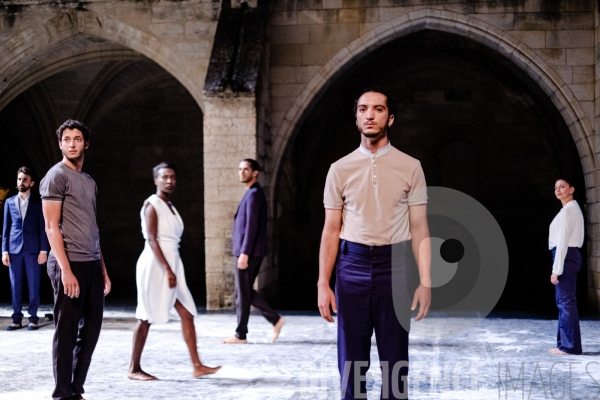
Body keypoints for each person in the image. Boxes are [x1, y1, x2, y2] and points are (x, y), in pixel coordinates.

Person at [317, 88, 432, 399]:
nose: (370, 114)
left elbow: (420, 226)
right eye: (363, 109)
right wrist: (323, 283)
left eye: (378, 109)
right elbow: (330, 229)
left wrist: (425, 281)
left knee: (395, 362)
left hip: (396, 268)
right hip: (351, 267)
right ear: (356, 118)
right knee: (351, 362)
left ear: (390, 118)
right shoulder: (338, 169)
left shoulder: (411, 167)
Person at [39, 119, 112, 400]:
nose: (72, 143)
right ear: (60, 144)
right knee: (66, 332)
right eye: (66, 139)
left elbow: (93, 227)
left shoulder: (89, 181)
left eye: (77, 139)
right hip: (68, 264)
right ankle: (61, 393)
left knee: (91, 333)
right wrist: (66, 271)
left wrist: (103, 269)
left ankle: (76, 389)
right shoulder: (56, 176)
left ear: (86, 144)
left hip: (92, 264)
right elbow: (50, 226)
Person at [128, 162, 221, 380]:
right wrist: (168, 270)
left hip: (172, 262)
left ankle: (197, 365)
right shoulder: (152, 204)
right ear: (155, 180)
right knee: (146, 316)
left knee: (187, 313)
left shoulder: (170, 205)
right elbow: (151, 239)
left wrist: (173, 269)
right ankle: (133, 368)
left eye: (173, 177)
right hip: (155, 264)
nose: (169, 181)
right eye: (164, 177)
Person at [220, 159, 285, 344]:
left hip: (249, 252)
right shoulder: (251, 193)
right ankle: (270, 321)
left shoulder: (255, 194)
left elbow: (252, 227)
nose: (241, 172)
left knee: (243, 292)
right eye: (239, 169)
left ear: (255, 172)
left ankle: (243, 334)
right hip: (248, 250)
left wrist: (245, 253)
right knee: (244, 291)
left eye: (245, 169)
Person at [2, 166, 49, 331]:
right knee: (15, 285)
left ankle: (33, 318)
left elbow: (44, 227)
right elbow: (5, 229)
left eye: (25, 180)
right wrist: (4, 251)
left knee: (33, 284)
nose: (21, 182)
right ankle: (16, 319)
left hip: (33, 249)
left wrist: (44, 250)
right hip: (14, 250)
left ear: (32, 183)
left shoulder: (39, 202)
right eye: (20, 179)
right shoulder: (9, 202)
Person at [549, 177, 584, 356]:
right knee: (564, 302)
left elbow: (562, 242)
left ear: (571, 189)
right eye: (556, 187)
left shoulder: (568, 211)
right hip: (568, 255)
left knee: (566, 303)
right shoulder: (570, 209)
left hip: (566, 255)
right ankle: (564, 344)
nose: (558, 190)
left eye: (562, 187)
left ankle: (569, 347)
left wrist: (556, 270)